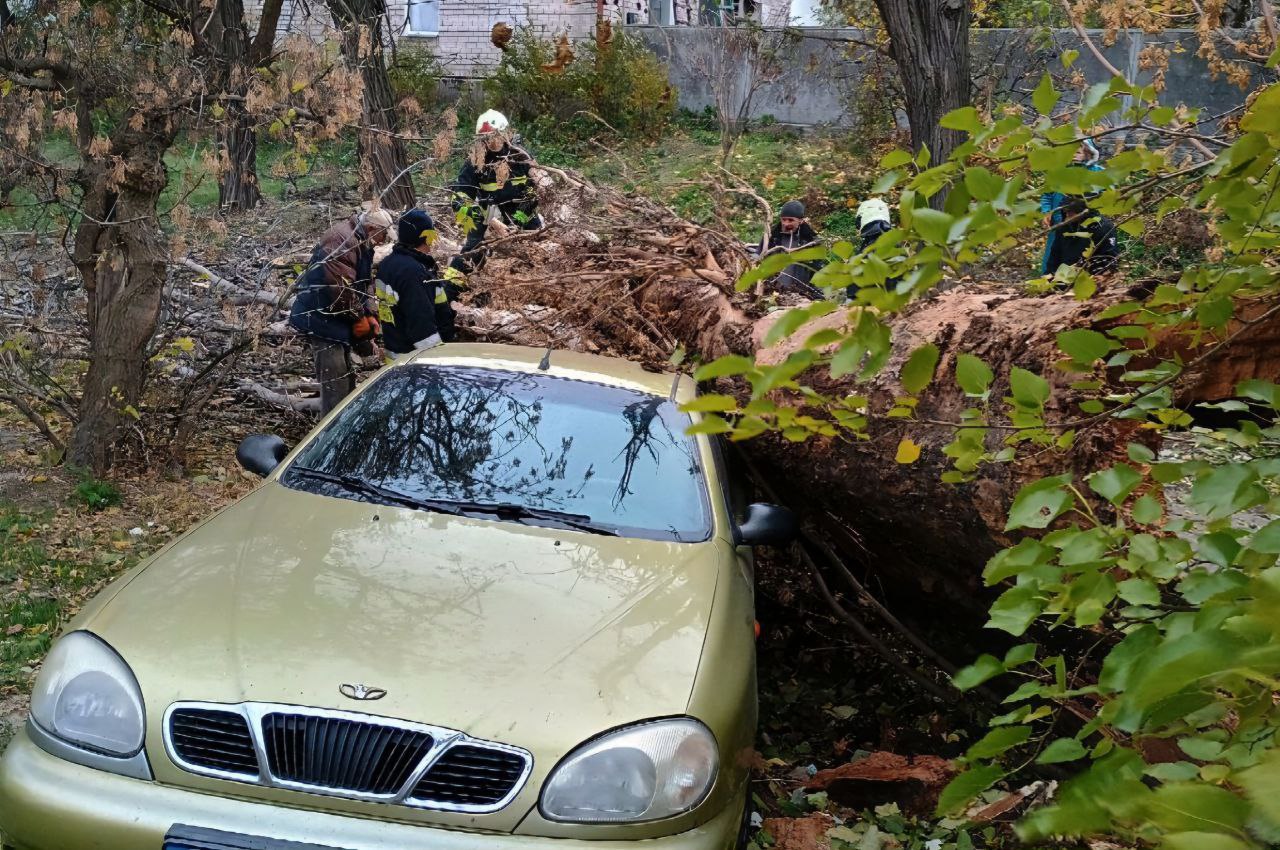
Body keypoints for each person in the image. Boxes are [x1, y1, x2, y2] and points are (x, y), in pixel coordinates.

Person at [288, 207, 393, 415]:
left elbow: (365, 283)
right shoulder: (340, 241)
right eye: (383, 235)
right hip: (321, 318)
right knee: (335, 380)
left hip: (337, 318)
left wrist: (370, 312)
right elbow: (340, 290)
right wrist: (359, 319)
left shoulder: (363, 243)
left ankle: (342, 419)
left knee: (346, 376)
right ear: (372, 228)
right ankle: (329, 432)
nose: (383, 241)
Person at [447, 109, 544, 280]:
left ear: (505, 133)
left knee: (538, 245)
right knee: (474, 246)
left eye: (495, 136)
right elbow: (460, 198)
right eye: (486, 138)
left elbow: (539, 187)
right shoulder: (475, 162)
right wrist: (491, 221)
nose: (491, 142)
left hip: (522, 209)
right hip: (488, 211)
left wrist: (520, 219)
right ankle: (451, 285)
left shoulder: (521, 156)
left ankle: (537, 281)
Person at [375, 209, 457, 355]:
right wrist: (436, 357)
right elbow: (421, 323)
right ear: (426, 236)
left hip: (395, 351)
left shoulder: (387, 264)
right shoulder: (413, 272)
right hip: (415, 359)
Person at [1040, 139, 1117, 277]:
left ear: (1087, 153)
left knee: (1082, 249)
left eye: (1078, 151)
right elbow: (1047, 194)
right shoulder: (1059, 172)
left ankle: (1080, 278)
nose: (1074, 155)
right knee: (1054, 252)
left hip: (1087, 220)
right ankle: (1048, 279)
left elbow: (1110, 193)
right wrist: (1047, 212)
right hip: (1060, 220)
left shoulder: (1098, 172)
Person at [759, 199, 824, 298]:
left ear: (801, 221)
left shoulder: (811, 242)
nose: (785, 224)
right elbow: (758, 259)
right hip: (772, 293)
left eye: (790, 220)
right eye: (783, 219)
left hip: (799, 296)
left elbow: (818, 271)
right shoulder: (771, 237)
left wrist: (818, 296)